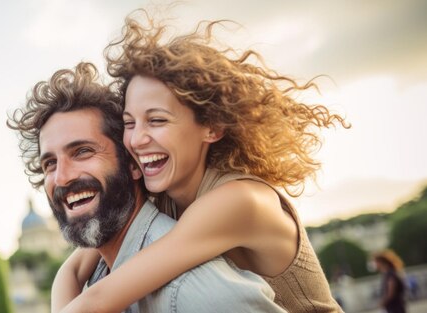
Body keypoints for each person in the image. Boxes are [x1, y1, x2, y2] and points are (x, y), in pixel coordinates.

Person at [54, 12, 350, 313]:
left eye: (156, 120)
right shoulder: (164, 188)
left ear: (212, 127)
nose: (138, 139)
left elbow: (100, 299)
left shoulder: (240, 200)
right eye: (130, 123)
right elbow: (72, 271)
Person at [7, 62, 286, 313]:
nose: (62, 178)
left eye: (82, 151)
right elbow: (73, 271)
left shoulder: (192, 289)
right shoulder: (104, 259)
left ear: (133, 165)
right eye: (49, 164)